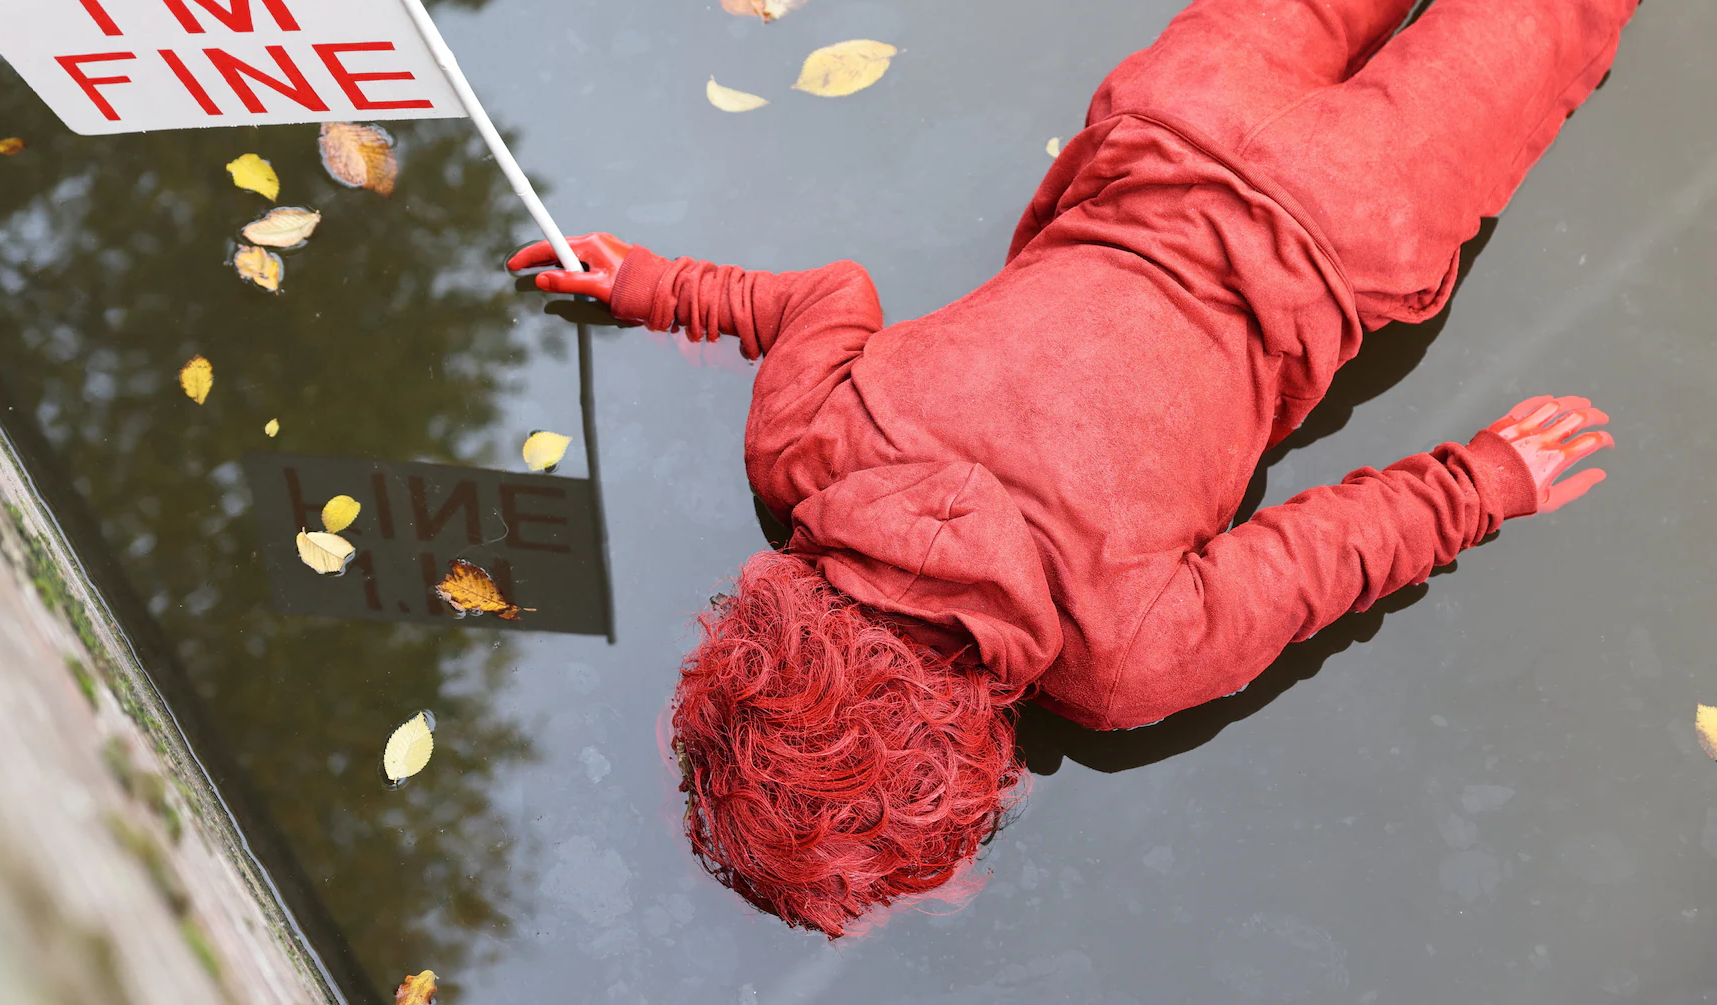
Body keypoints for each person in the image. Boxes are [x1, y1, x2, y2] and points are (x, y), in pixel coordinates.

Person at [508, 0, 1631, 938]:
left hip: (1353, 222)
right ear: (740, 654)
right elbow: (829, 294)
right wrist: (661, 286)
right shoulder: (804, 457)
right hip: (1179, 117)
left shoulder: (1121, 659)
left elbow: (1326, 552)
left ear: (961, 770)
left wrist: (1486, 482)